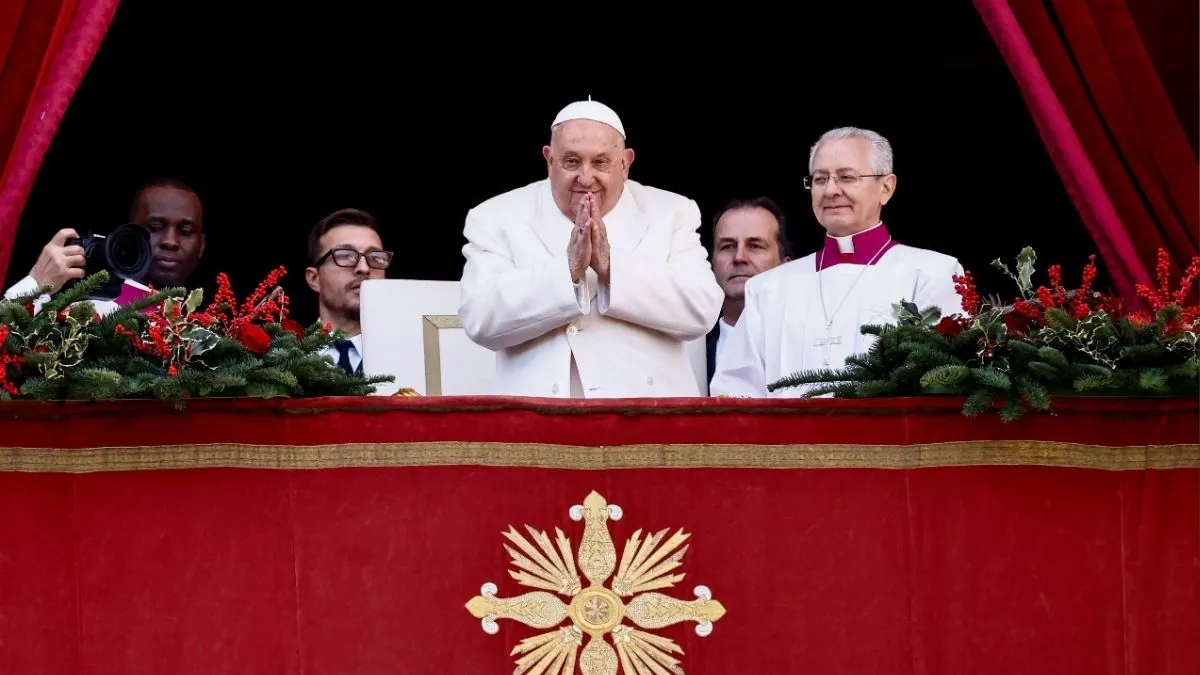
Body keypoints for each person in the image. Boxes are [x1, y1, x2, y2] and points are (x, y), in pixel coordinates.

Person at [458, 98, 722, 398]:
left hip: (648, 417)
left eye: (600, 162)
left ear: (625, 163)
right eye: (571, 161)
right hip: (540, 418)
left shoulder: (671, 212)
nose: (586, 178)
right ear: (549, 160)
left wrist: (612, 268)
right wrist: (567, 271)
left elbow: (702, 310)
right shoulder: (497, 216)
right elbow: (480, 319)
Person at [710, 126, 963, 397]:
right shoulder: (767, 288)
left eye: (846, 177)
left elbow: (942, 385)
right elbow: (736, 392)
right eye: (820, 179)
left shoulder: (932, 274)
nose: (830, 190)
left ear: (886, 188)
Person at [3, 178, 205, 311]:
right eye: (154, 227)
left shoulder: (215, 336)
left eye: (185, 231)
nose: (170, 241)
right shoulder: (85, 311)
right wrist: (35, 284)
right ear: (127, 236)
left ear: (202, 245)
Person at [707, 197, 792, 384]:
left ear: (786, 267)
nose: (739, 257)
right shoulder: (687, 357)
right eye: (727, 246)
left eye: (755, 246)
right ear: (712, 265)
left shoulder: (805, 347)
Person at [305, 208, 392, 375]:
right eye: (345, 255)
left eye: (375, 257)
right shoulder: (279, 364)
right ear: (314, 278)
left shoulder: (413, 358)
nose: (364, 268)